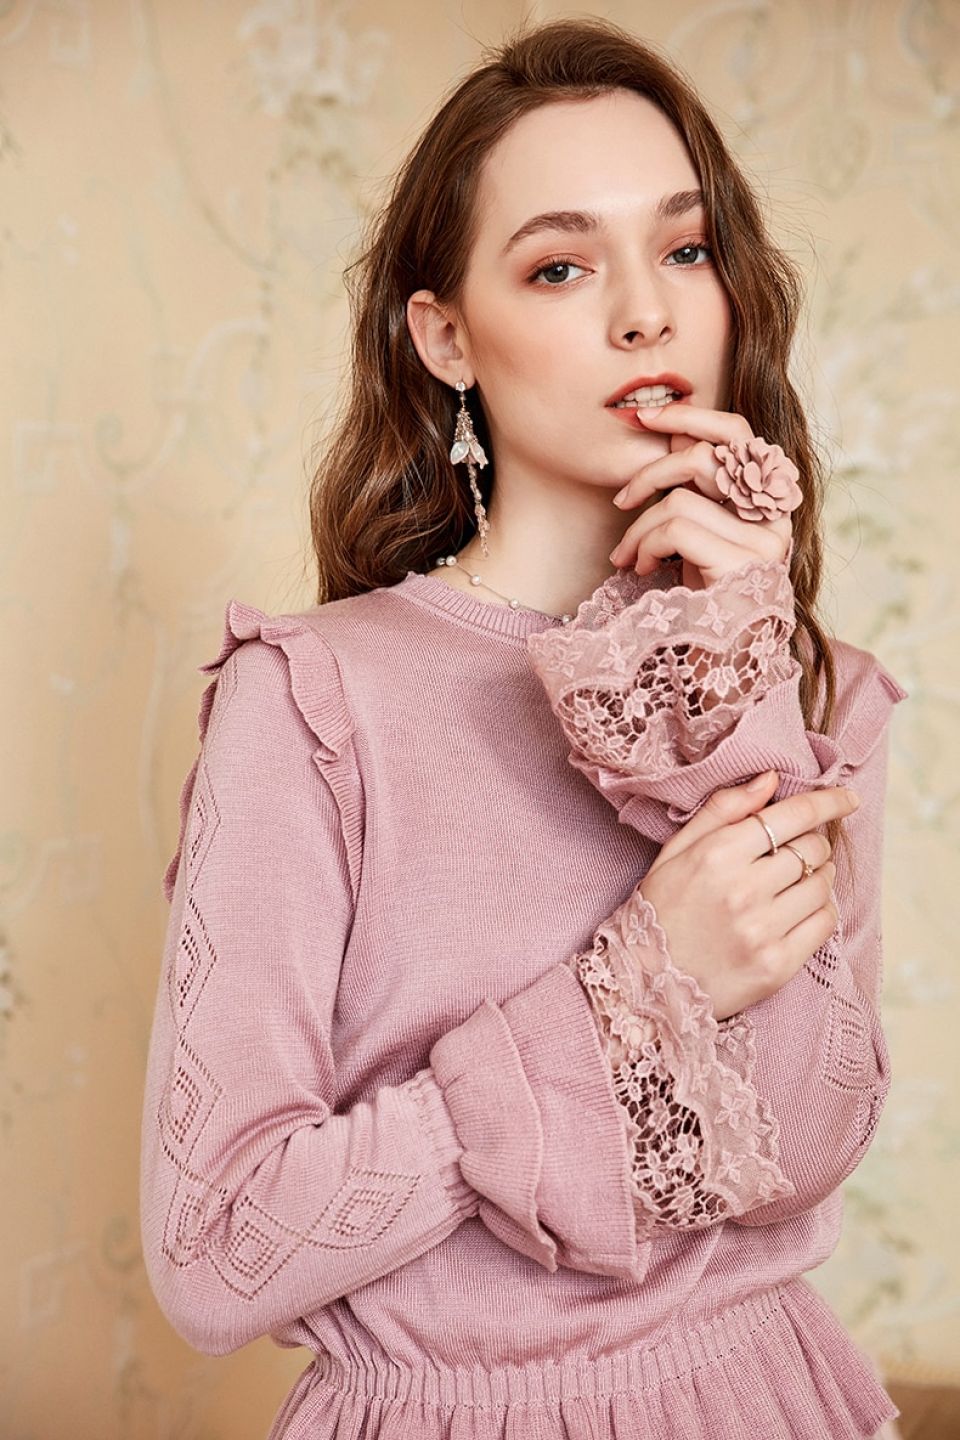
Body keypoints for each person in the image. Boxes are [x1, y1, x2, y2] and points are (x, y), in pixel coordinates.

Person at [140, 17, 910, 1439]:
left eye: (684, 249)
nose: (645, 314)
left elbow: (803, 1146)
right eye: (561, 265)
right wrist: (636, 991)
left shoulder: (814, 688)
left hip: (769, 1401)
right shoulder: (313, 703)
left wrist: (738, 680)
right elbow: (215, 1252)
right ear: (445, 336)